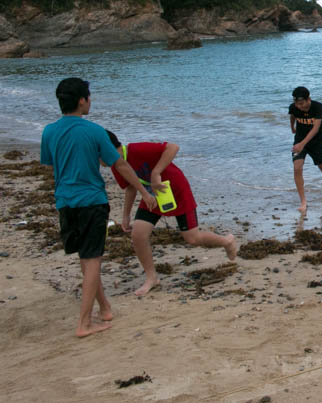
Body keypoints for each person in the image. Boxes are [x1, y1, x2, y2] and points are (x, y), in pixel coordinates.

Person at [40, 78, 157, 337]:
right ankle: (84, 323)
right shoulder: (94, 131)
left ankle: (104, 307)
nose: (90, 101)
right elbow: (120, 165)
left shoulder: (49, 131)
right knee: (92, 260)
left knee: (86, 257)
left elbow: (49, 164)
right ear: (82, 100)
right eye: (89, 97)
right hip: (91, 202)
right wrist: (142, 191)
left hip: (65, 202)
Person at [105, 131, 238, 296]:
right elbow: (131, 187)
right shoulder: (116, 166)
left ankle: (226, 241)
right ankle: (151, 278)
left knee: (192, 238)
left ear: (106, 149)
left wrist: (156, 172)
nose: (96, 160)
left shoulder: (136, 150)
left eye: (96, 154)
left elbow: (173, 147)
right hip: (153, 197)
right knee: (138, 234)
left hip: (176, 189)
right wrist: (126, 215)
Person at [289, 86, 322, 213]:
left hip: (316, 141)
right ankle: (303, 201)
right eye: (297, 104)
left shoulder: (318, 107)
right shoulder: (293, 107)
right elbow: (292, 116)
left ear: (309, 99)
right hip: (299, 141)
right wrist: (292, 127)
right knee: (297, 168)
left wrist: (303, 143)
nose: (299, 107)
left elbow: (315, 128)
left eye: (301, 103)